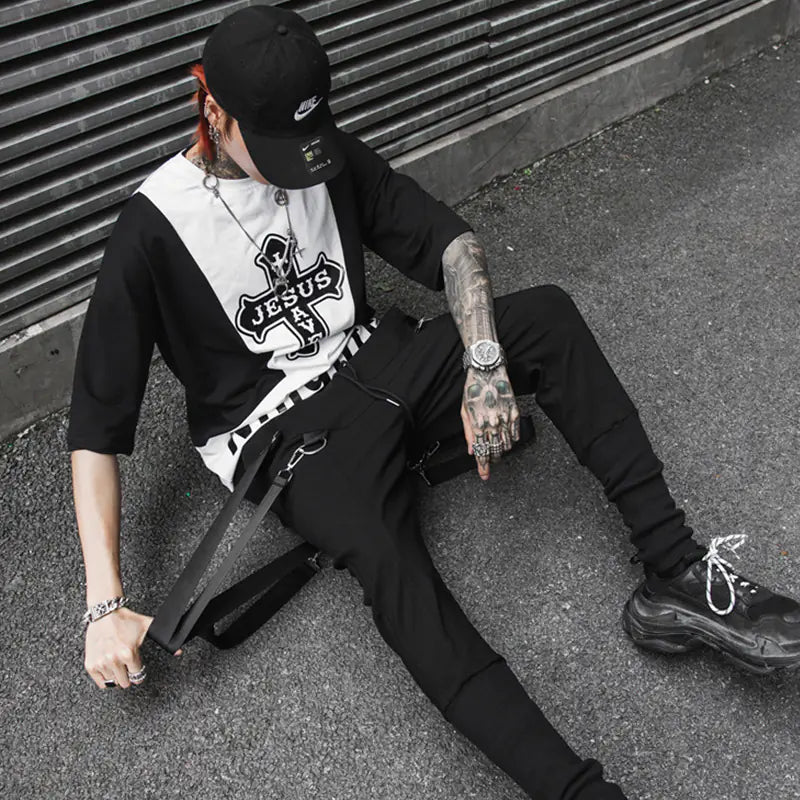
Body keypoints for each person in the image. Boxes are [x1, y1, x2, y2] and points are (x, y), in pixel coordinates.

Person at [68, 6, 800, 800]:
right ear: (211, 108)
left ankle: (676, 575)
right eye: (276, 147)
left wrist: (484, 366)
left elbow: (451, 243)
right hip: (285, 433)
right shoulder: (151, 230)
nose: (302, 168)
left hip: (385, 358)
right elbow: (95, 429)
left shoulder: (321, 151)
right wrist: (104, 605)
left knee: (546, 318)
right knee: (390, 563)